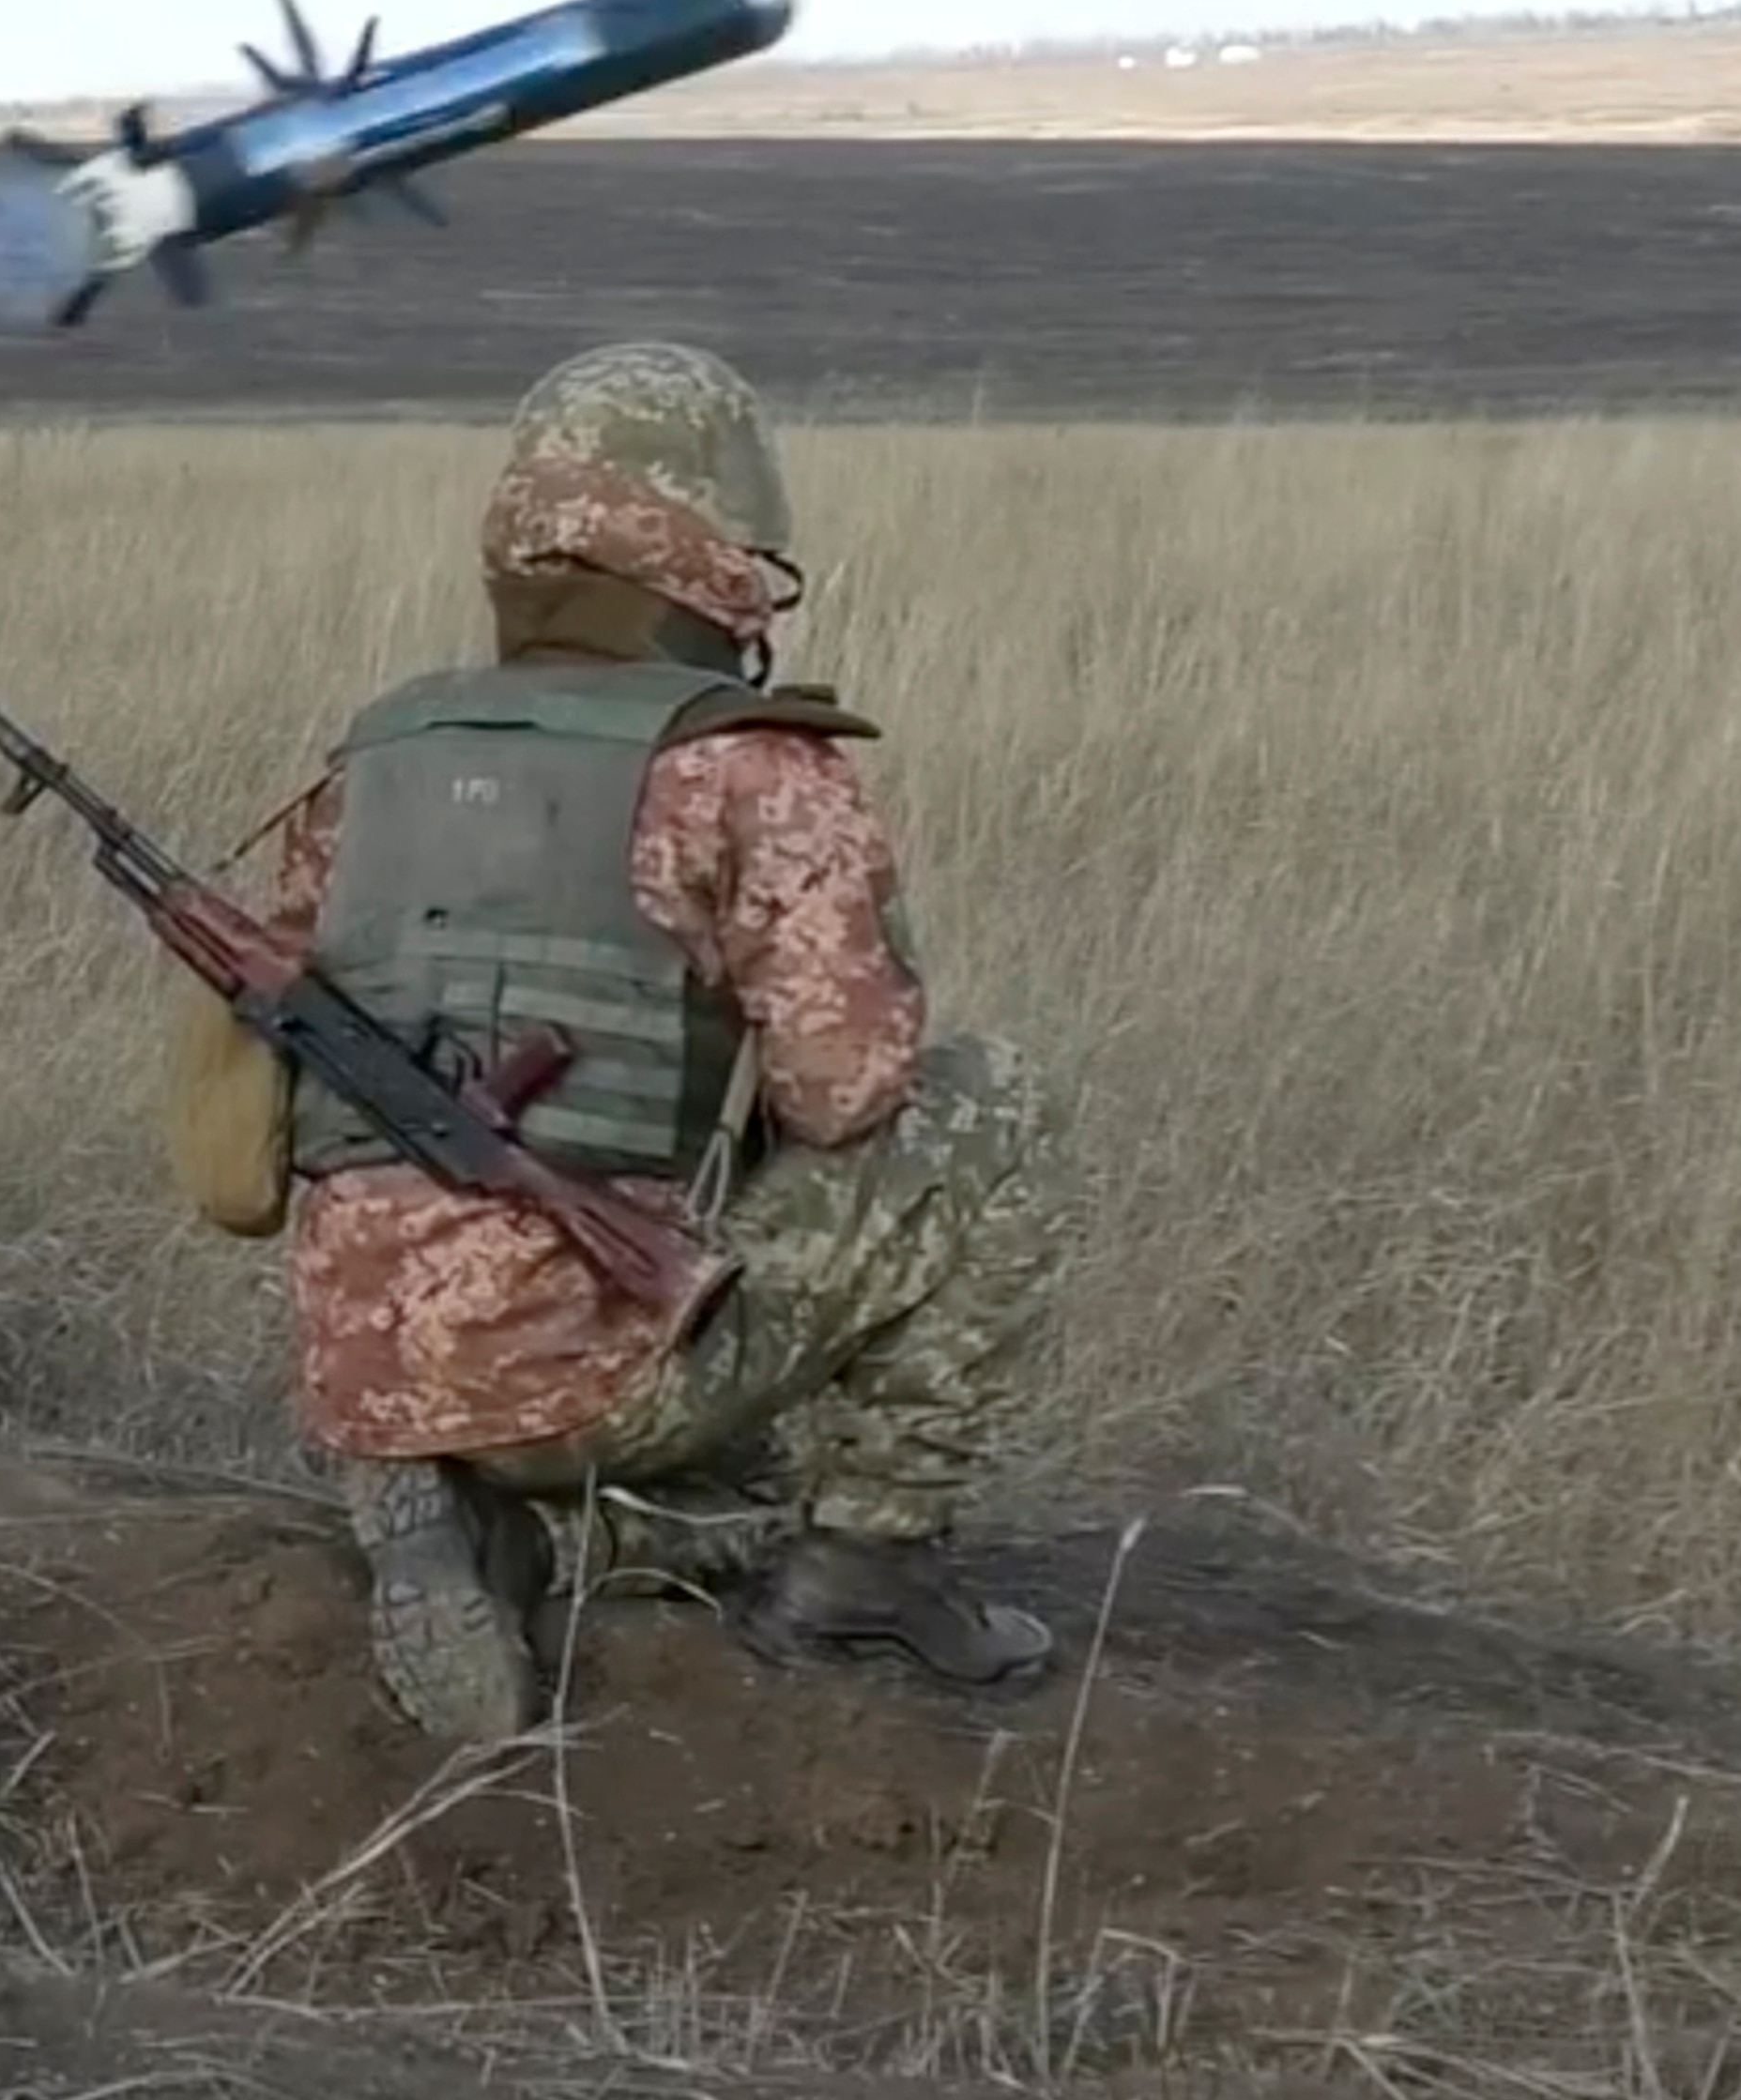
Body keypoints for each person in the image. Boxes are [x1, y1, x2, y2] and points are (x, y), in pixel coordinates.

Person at [182, 340, 1075, 1745]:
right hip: (590, 1372)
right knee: (989, 1100)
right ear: (699, 527)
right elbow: (846, 1092)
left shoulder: (373, 758)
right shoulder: (752, 766)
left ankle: (475, 1508)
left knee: (708, 1452)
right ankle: (866, 1555)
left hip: (367, 1367)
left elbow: (261, 1109)